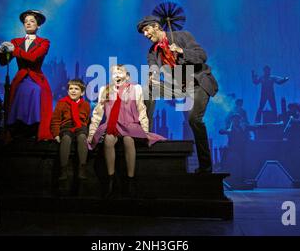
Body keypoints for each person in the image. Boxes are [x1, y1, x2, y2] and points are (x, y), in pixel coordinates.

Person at [136, 15, 218, 174]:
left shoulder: (182, 36)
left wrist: (181, 51)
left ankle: (205, 166)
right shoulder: (152, 51)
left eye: (147, 30)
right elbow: (153, 66)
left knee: (194, 120)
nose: (146, 35)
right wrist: (153, 75)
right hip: (178, 86)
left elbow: (202, 56)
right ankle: (145, 133)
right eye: (143, 33)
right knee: (148, 89)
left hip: (197, 83)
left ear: (156, 26)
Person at [87, 65, 165, 198]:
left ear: (127, 76)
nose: (116, 75)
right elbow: (97, 113)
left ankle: (130, 180)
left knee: (129, 140)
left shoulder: (135, 89)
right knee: (108, 140)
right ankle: (110, 180)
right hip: (112, 125)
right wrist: (91, 132)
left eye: (120, 72)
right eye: (113, 73)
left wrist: (145, 131)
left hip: (130, 125)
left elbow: (141, 110)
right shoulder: (105, 90)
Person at [0, 10, 53, 141]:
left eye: (32, 21)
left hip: (36, 77)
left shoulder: (44, 42)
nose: (28, 23)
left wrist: (14, 50)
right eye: (26, 22)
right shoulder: (15, 42)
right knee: (20, 90)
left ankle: (33, 127)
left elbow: (33, 57)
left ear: (38, 25)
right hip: (21, 76)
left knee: (35, 90)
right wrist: (2, 51)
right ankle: (17, 127)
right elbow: (3, 62)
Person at [51, 79, 91, 184]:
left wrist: (87, 132)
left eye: (76, 89)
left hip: (80, 127)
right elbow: (55, 120)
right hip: (66, 127)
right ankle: (63, 169)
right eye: (71, 89)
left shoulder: (85, 104)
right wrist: (56, 134)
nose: (73, 91)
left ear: (82, 92)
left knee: (82, 137)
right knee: (66, 139)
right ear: (68, 91)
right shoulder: (62, 103)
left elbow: (87, 120)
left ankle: (82, 167)